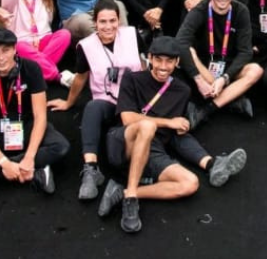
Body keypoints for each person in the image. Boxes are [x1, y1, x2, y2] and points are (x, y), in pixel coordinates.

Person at [95, 37, 249, 234]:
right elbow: (127, 119)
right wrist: (169, 122)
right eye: (158, 59)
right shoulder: (132, 78)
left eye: (169, 61)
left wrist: (194, 145)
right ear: (150, 58)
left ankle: (123, 192)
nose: (163, 66)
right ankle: (132, 199)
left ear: (177, 63)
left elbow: (174, 135)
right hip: (122, 143)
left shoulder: (181, 90)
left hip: (152, 149)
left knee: (190, 183)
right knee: (147, 126)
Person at [0, 27, 71, 196]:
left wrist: (30, 157)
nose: (1, 58)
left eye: (6, 50)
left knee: (61, 146)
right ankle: (35, 169)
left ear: (15, 49)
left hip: (27, 125)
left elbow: (40, 116)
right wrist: (4, 163)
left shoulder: (31, 68)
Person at [52, 0, 144, 200]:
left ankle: (137, 172)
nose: (108, 26)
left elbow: (144, 65)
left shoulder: (132, 35)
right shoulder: (85, 46)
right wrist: (68, 102)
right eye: (103, 22)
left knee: (117, 153)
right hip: (108, 101)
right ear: (95, 22)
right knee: (92, 107)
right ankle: (91, 169)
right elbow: (81, 77)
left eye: (113, 21)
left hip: (134, 102)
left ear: (119, 21)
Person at [176, 0, 265, 125]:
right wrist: (198, 79)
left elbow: (245, 52)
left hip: (229, 67)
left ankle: (206, 110)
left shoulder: (241, 11)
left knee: (256, 70)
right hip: (204, 65)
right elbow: (180, 41)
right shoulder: (200, 10)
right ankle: (231, 99)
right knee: (188, 50)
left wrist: (224, 79)